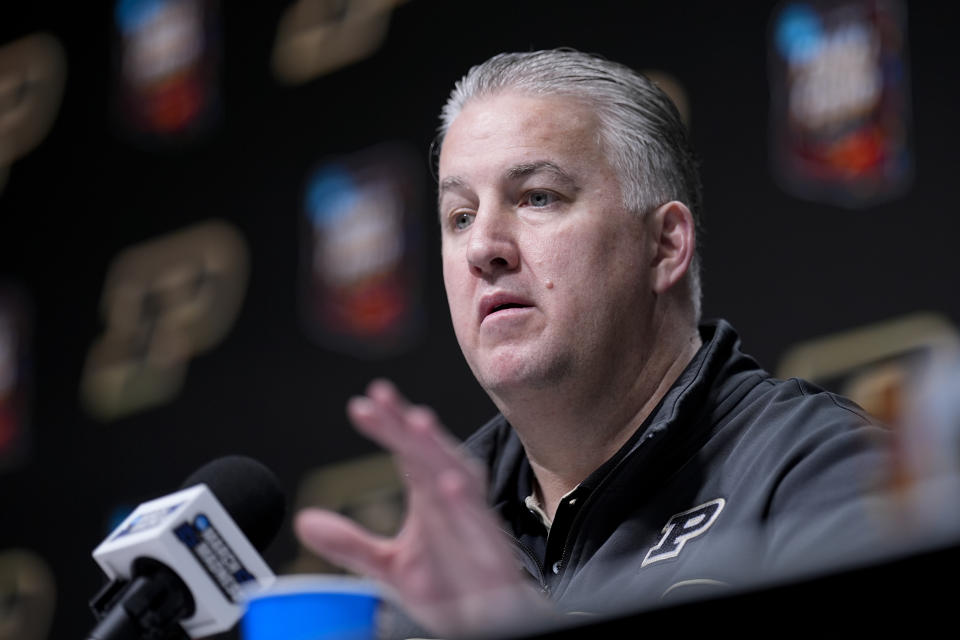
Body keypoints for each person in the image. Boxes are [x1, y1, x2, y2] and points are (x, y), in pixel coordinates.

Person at [294, 49, 894, 638]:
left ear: (663, 246)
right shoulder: (445, 540)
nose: (482, 248)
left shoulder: (821, 472)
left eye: (537, 197)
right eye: (460, 216)